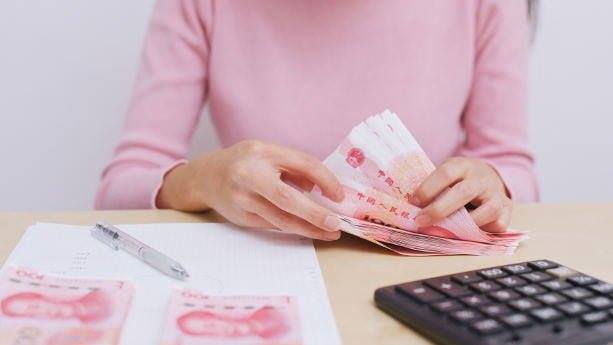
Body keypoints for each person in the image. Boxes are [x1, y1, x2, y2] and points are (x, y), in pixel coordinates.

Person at [95, 0, 539, 241]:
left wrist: (493, 185)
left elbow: (513, 167)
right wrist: (202, 179)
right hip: (264, 269)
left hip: (425, 287)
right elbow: (120, 187)